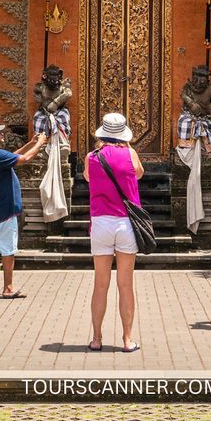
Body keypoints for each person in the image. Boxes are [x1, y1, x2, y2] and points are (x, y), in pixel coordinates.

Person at [83, 112, 144, 353]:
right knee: (125, 284)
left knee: (100, 284)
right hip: (125, 223)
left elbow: (89, 179)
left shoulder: (92, 157)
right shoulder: (130, 153)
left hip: (100, 222)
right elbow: (139, 173)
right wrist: (126, 147)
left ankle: (97, 338)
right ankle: (127, 340)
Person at [0, 122, 47, 299]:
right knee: (8, 250)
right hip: (4, 211)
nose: (3, 134)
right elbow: (25, 159)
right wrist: (40, 144)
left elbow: (12, 157)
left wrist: (30, 143)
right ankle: (8, 288)